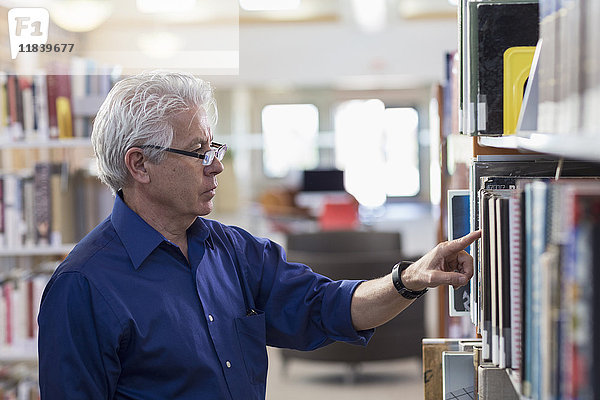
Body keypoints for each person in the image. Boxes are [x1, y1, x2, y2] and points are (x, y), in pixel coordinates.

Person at [37, 71, 481, 400]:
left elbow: (325, 305)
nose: (216, 165)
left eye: (214, 148)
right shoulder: (84, 286)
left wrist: (409, 279)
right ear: (139, 165)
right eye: (198, 152)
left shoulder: (232, 250)